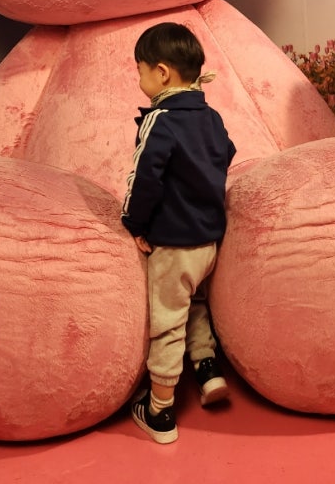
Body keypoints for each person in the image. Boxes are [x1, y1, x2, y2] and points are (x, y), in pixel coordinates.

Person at [121, 22, 236, 444]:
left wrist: (134, 223)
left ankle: (160, 410)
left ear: (162, 73)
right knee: (197, 304)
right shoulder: (212, 117)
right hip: (209, 241)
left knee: (168, 323)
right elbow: (227, 154)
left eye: (140, 71)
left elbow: (143, 179)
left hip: (173, 243)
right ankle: (207, 369)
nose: (139, 80)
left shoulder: (161, 120)